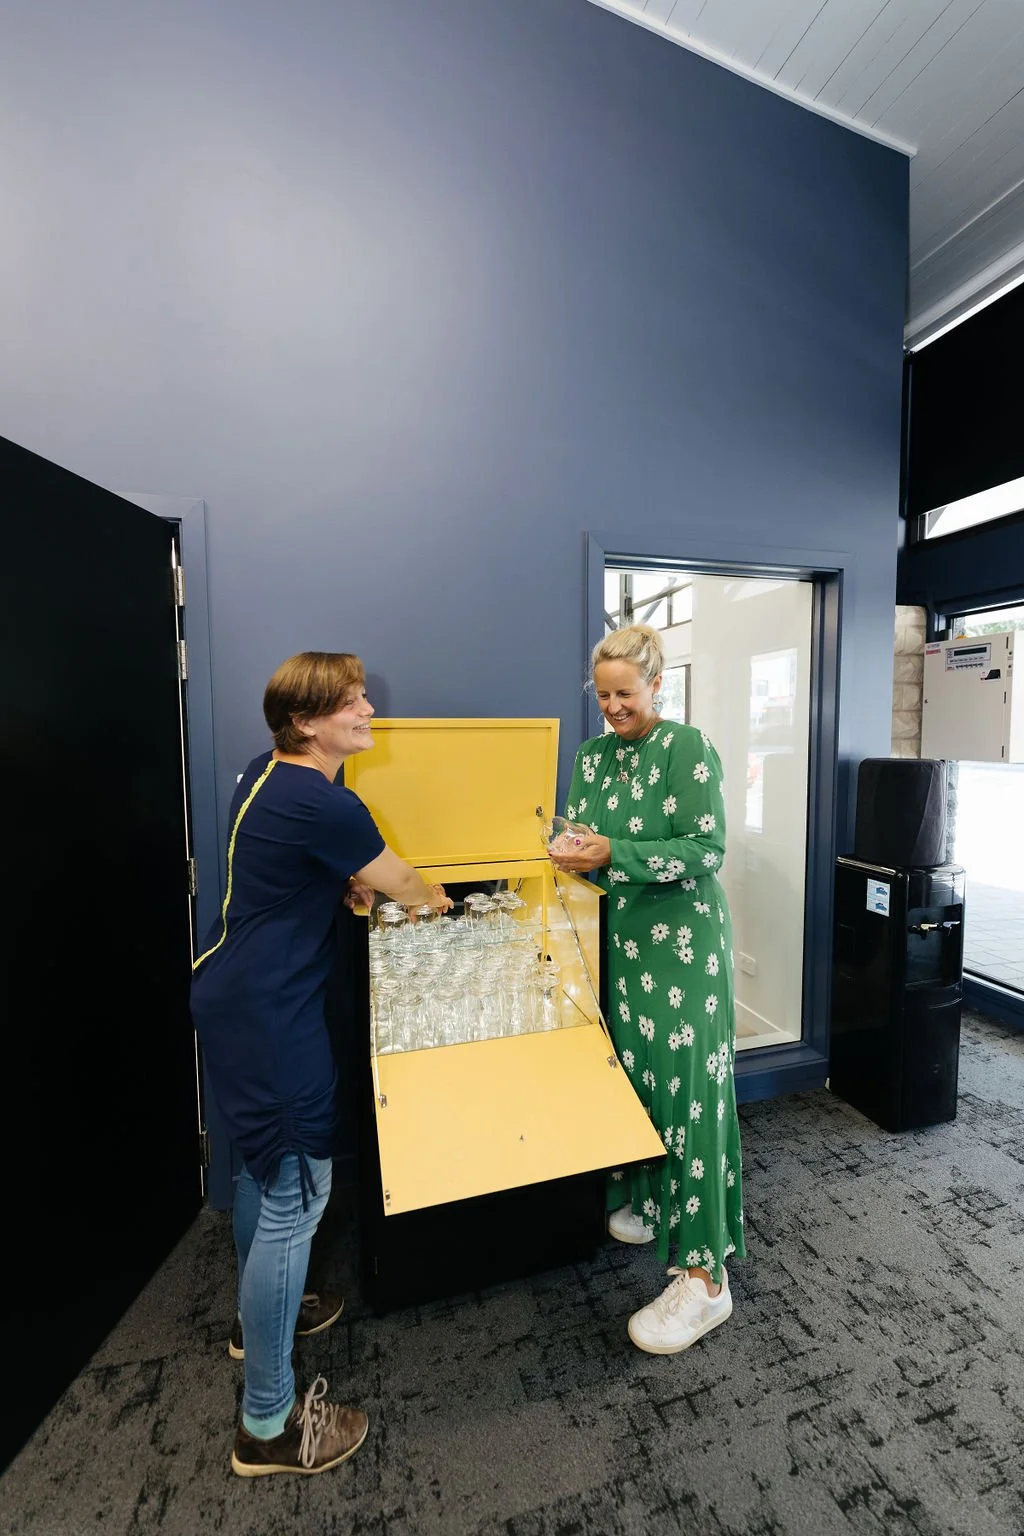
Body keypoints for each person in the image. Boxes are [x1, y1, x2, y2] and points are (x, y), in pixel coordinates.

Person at [191, 651, 451, 1477]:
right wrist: (436, 902)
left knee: (263, 1170)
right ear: (307, 722)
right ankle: (268, 1424)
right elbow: (403, 879)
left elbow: (288, 869)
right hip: (271, 1014)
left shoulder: (268, 776)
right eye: (352, 702)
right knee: (300, 1193)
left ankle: (258, 1319)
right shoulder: (321, 799)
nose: (369, 709)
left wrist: (337, 886)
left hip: (232, 995)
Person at [549, 623, 745, 1355]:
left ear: (656, 685)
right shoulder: (591, 756)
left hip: (685, 949)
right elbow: (584, 840)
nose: (613, 707)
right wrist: (570, 853)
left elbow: (706, 847)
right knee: (636, 1081)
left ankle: (705, 1279)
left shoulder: (687, 748)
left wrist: (614, 852)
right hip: (625, 947)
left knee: (693, 1095)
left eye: (625, 693)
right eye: (602, 695)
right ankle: (652, 1195)